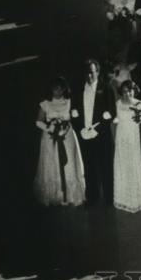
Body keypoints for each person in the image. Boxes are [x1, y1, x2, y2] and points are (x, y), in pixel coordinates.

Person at [34, 76, 86, 206]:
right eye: (54, 88)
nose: (57, 91)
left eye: (59, 88)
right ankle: (55, 195)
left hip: (67, 136)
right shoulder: (45, 103)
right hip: (50, 138)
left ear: (64, 89)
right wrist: (49, 128)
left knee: (69, 164)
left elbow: (75, 117)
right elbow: (38, 121)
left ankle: (71, 196)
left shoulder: (69, 102)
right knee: (52, 163)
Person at [71, 59, 116, 206]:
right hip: (85, 134)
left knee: (106, 167)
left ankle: (109, 199)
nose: (89, 76)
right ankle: (93, 197)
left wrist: (97, 129)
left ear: (97, 72)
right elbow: (74, 112)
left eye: (92, 72)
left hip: (101, 135)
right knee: (89, 166)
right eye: (87, 73)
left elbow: (111, 112)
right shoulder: (78, 89)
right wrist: (80, 129)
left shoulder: (107, 88)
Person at [112, 80, 141, 212]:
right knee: (123, 166)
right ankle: (124, 199)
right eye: (124, 91)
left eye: (130, 90)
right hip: (122, 138)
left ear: (134, 90)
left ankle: (139, 199)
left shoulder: (140, 104)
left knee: (137, 165)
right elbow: (114, 120)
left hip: (135, 138)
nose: (127, 93)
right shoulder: (117, 104)